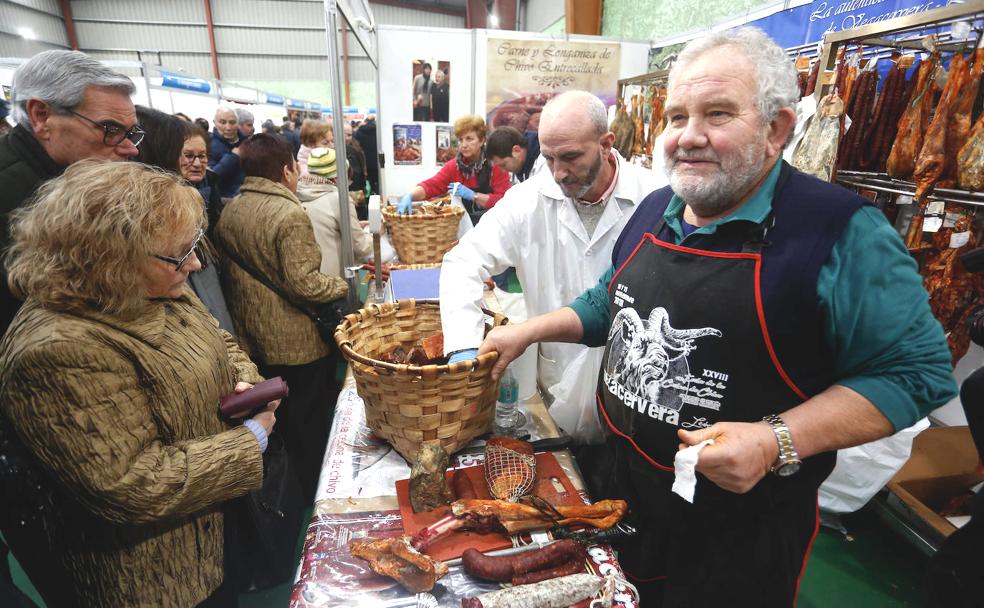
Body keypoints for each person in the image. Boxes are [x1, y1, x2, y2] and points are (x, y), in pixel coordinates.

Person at [473, 28, 958, 606]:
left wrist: (776, 439)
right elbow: (612, 303)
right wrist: (528, 329)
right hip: (623, 490)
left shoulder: (840, 231)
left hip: (736, 532)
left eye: (718, 114)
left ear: (777, 129)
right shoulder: (659, 206)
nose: (688, 137)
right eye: (676, 116)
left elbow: (914, 372)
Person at [0, 160, 276, 606]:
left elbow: (221, 340)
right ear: (110, 257)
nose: (195, 263)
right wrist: (252, 438)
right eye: (179, 254)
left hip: (208, 538)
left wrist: (246, 384)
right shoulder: (57, 351)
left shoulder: (154, 284)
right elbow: (129, 484)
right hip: (152, 578)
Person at [439, 91, 657, 444]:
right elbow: (463, 261)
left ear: (606, 144)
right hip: (556, 384)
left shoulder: (654, 196)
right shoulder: (530, 199)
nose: (558, 172)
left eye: (570, 157)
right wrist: (463, 346)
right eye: (549, 157)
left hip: (636, 390)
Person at [215, 133, 348, 502]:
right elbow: (305, 284)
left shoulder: (233, 208)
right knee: (309, 423)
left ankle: (287, 493)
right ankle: (314, 493)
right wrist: (341, 286)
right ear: (287, 169)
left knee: (280, 421)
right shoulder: (289, 214)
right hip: (297, 342)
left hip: (253, 337)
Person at [0, 49, 141, 335]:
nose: (131, 148)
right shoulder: (11, 193)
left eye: (131, 132)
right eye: (109, 128)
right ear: (41, 116)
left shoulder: (79, 182)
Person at [135, 105, 237, 336]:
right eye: (187, 155)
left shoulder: (207, 186)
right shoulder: (161, 210)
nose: (196, 163)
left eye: (202, 156)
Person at [398, 114, 511, 225]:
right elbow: (431, 185)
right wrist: (410, 195)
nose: (463, 145)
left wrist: (474, 196)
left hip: (492, 226)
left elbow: (504, 201)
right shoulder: (454, 167)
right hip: (465, 229)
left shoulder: (495, 165)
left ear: (482, 141)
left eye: (469, 139)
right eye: (460, 140)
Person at [297, 147, 374, 275]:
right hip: (334, 280)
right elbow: (361, 246)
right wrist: (375, 233)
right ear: (338, 176)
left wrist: (354, 226)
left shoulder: (298, 194)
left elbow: (325, 228)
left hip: (309, 276)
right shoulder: (340, 200)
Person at [209, 106, 245, 199]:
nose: (228, 127)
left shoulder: (247, 142)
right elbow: (210, 177)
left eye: (232, 122)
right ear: (215, 123)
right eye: (223, 122)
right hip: (225, 200)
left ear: (238, 123)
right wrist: (233, 157)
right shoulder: (208, 145)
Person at [354, 114, 379, 195]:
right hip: (378, 161)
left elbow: (357, 148)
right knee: (379, 183)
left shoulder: (359, 132)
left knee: (369, 183)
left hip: (365, 163)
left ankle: (371, 196)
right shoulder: (379, 131)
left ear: (365, 121)